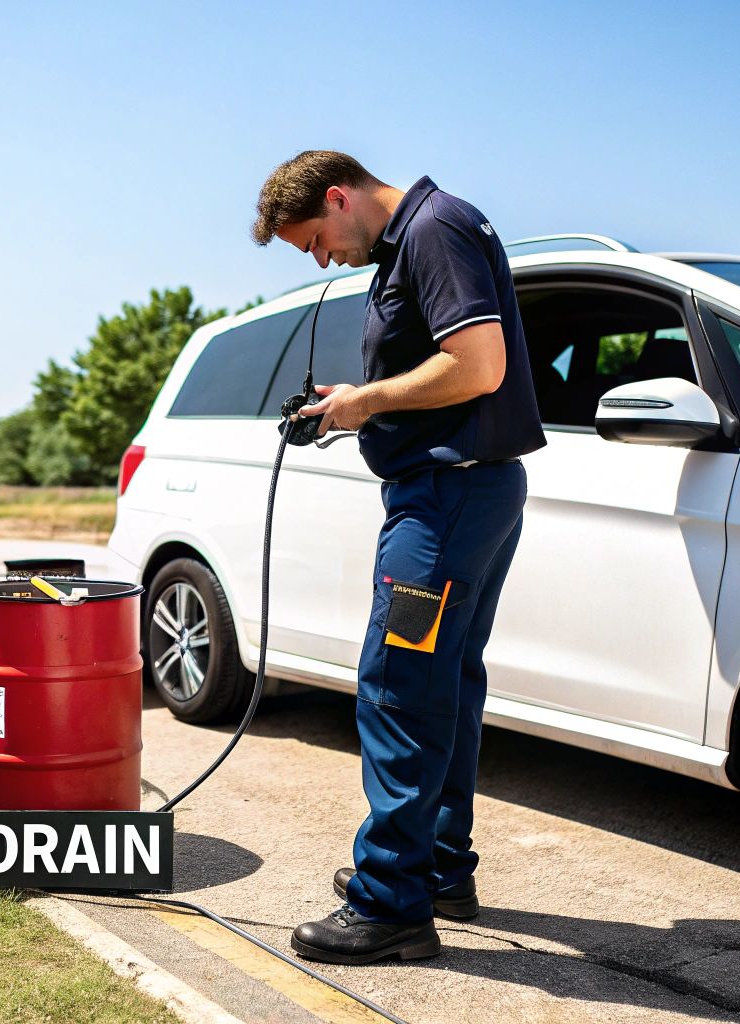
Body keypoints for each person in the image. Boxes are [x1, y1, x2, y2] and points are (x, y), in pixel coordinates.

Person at [250, 150, 545, 964]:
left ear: (339, 198)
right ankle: (438, 869)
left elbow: (477, 366)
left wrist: (364, 402)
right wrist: (349, 407)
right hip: (465, 495)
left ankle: (391, 904)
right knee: (443, 685)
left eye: (313, 239)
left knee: (398, 686)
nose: (320, 258)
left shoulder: (434, 229)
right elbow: (442, 365)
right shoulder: (421, 237)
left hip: (444, 506)